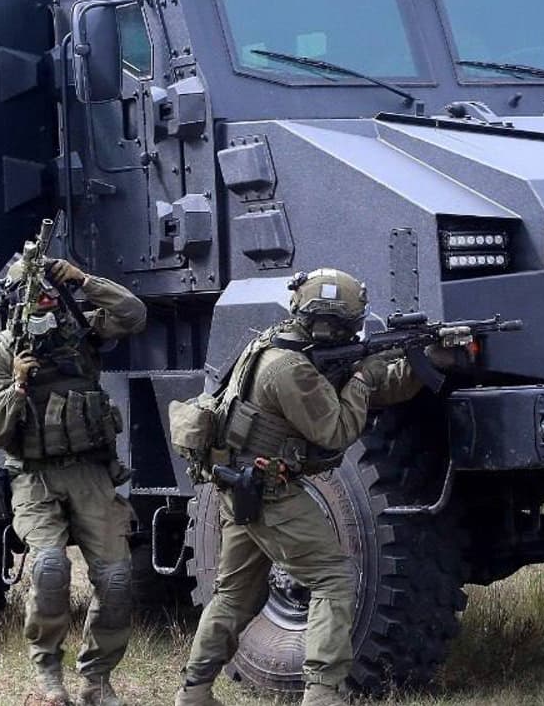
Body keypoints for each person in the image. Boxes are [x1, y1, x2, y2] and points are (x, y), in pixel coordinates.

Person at [173, 269, 465, 706]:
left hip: (245, 487)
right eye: (350, 323)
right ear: (331, 325)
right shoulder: (289, 369)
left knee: (235, 595)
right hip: (268, 492)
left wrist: (425, 364)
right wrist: (363, 378)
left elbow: (370, 390)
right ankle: (323, 693)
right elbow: (337, 429)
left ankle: (193, 691)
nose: (355, 330)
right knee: (332, 578)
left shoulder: (283, 345)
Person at [0, 253, 147, 706]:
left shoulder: (82, 335)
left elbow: (133, 314)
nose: (45, 305)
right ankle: (48, 671)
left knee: (115, 579)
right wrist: (17, 386)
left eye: (52, 296)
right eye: (35, 298)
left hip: (90, 471)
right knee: (50, 567)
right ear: (16, 303)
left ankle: (96, 678)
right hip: (34, 477)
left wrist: (85, 279)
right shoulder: (1, 356)